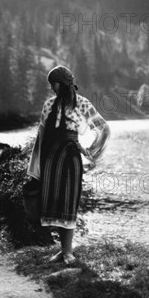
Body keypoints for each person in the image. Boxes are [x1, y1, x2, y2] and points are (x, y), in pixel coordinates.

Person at [27, 65, 110, 264]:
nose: (52, 88)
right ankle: (62, 250)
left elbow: (103, 128)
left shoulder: (82, 104)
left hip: (70, 158)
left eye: (53, 84)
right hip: (50, 158)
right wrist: (35, 166)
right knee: (53, 203)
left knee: (68, 202)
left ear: (61, 84)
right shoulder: (48, 105)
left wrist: (89, 151)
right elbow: (41, 136)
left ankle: (67, 252)